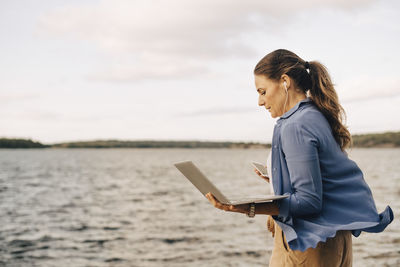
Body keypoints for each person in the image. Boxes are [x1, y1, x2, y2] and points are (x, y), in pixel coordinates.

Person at [205, 49, 393, 266]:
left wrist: (245, 207)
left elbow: (309, 202)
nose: (259, 101)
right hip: (335, 239)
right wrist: (280, 179)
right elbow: (326, 174)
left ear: (284, 81)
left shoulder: (295, 125)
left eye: (263, 91)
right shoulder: (316, 115)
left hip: (308, 245)